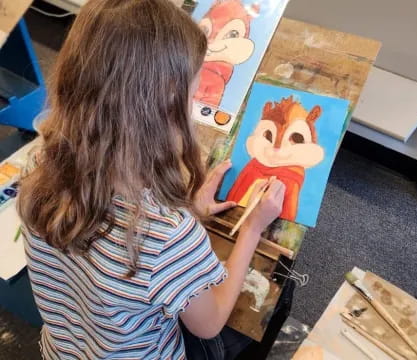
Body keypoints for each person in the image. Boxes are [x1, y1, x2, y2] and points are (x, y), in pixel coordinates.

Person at [16, 0, 286, 359]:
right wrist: (252, 227)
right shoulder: (167, 237)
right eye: (193, 93)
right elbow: (209, 322)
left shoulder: (37, 168)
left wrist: (191, 210)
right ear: (165, 105)